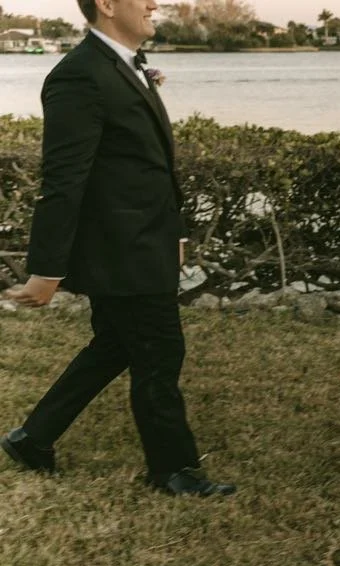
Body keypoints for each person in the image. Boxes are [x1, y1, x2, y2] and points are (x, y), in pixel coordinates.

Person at [2, 0, 235, 497]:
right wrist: (46, 270)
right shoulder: (78, 77)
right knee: (159, 352)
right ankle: (174, 470)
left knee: (113, 347)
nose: (155, 4)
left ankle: (32, 438)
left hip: (146, 242)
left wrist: (174, 234)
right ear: (107, 5)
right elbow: (63, 180)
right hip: (119, 249)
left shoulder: (125, 67)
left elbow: (148, 168)